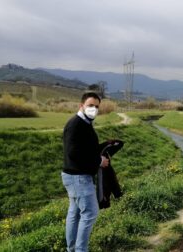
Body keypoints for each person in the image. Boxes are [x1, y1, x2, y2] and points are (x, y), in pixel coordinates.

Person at [61, 92, 109, 252]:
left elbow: (85, 148)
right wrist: (98, 161)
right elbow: (74, 153)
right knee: (90, 213)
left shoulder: (85, 124)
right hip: (78, 177)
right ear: (81, 106)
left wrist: (103, 147)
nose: (93, 109)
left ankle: (72, 249)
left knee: (74, 214)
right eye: (90, 105)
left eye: (96, 106)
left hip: (75, 176)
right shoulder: (76, 125)